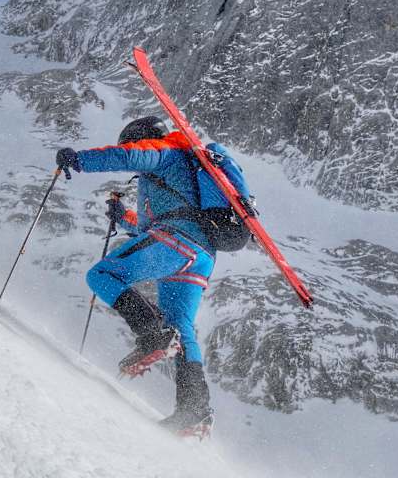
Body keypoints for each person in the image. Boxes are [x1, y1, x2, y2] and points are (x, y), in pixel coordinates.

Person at [55, 116, 253, 434]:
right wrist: (125, 217)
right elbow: (154, 225)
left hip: (177, 243)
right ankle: (194, 409)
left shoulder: (165, 152)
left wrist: (80, 160)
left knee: (102, 274)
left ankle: (152, 334)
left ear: (141, 138)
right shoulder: (183, 168)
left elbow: (128, 156)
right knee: (181, 326)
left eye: (132, 143)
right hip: (198, 257)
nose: (133, 156)